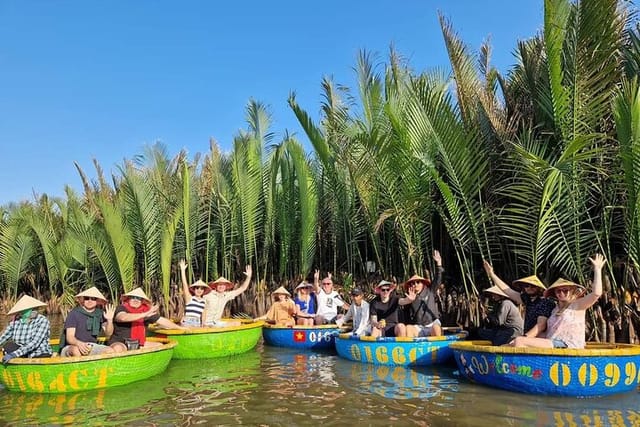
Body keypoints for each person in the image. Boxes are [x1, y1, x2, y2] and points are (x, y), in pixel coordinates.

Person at [510, 254, 605, 349]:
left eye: (565, 290)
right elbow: (549, 332)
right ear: (554, 293)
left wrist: (597, 269)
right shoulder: (554, 309)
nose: (561, 293)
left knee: (520, 341)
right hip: (553, 343)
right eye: (558, 291)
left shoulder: (578, 305)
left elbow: (596, 294)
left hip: (568, 345)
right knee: (515, 342)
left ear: (572, 291)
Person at [483, 260, 556, 337]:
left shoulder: (545, 302)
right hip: (529, 337)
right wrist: (492, 274)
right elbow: (507, 290)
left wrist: (524, 338)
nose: (529, 288)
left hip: (541, 338)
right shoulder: (528, 300)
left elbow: (540, 326)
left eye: (533, 286)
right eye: (526, 286)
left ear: (539, 288)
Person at [108, 287, 184, 352]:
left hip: (138, 343)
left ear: (142, 301)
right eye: (133, 297)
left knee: (160, 346)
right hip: (120, 342)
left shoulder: (145, 311)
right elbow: (122, 317)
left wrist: (180, 328)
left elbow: (162, 321)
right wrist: (145, 314)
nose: (136, 300)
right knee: (118, 348)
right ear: (128, 299)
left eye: (138, 298)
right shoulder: (121, 308)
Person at [60, 287, 115, 357]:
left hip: (90, 345)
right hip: (72, 345)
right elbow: (69, 337)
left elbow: (108, 334)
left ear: (97, 301)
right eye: (87, 298)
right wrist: (79, 344)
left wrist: (110, 320)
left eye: (93, 299)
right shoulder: (74, 313)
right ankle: (80, 368)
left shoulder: (100, 314)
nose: (90, 301)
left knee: (110, 351)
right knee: (76, 350)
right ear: (83, 300)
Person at [399, 250, 444, 337]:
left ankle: (436, 349)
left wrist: (439, 263)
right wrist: (408, 300)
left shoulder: (430, 290)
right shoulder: (408, 296)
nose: (415, 284)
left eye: (418, 282)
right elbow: (400, 306)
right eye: (413, 283)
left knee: (436, 328)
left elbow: (438, 279)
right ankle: (412, 349)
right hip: (418, 326)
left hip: (432, 323)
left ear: (422, 283)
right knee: (408, 328)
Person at [0, 295, 52, 363]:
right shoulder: (16, 321)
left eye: (34, 309)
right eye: (31, 309)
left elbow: (34, 343)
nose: (34, 311)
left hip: (39, 353)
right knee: (8, 346)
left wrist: (14, 354)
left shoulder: (42, 321)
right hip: (23, 353)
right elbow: (4, 336)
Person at [179, 259, 211, 327]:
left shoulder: (204, 301)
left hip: (197, 322)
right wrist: (183, 270)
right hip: (187, 321)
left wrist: (203, 324)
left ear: (203, 291)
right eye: (197, 288)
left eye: (201, 288)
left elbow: (203, 314)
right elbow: (185, 285)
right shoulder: (190, 298)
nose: (199, 290)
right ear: (194, 289)